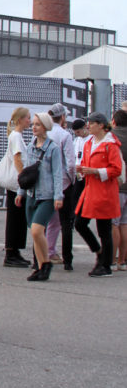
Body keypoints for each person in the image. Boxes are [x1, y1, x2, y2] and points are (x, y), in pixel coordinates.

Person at [16, 113, 64, 282]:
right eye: (33, 124)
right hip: (31, 194)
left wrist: (59, 196)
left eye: (37, 124)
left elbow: (58, 174)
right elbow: (26, 172)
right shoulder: (30, 146)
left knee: (37, 230)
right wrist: (20, 192)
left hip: (47, 196)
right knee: (35, 234)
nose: (34, 127)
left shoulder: (53, 148)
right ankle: (41, 266)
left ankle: (46, 263)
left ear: (45, 126)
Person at [74, 111, 123, 277]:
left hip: (104, 191)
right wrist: (82, 170)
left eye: (92, 123)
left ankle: (105, 264)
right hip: (90, 189)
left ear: (101, 125)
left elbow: (116, 169)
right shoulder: (89, 143)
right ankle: (100, 253)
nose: (89, 125)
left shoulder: (111, 145)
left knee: (104, 229)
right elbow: (85, 163)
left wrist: (95, 171)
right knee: (80, 223)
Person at [0, 107, 32, 267]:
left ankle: (14, 250)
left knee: (17, 217)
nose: (29, 121)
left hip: (16, 182)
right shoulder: (17, 136)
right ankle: (12, 251)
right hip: (16, 183)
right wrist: (23, 178)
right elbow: (18, 159)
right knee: (15, 217)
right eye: (28, 118)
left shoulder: (15, 135)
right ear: (20, 120)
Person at [44, 103, 76, 269]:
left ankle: (46, 253)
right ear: (62, 117)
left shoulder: (45, 133)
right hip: (63, 183)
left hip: (46, 182)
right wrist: (72, 179)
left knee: (48, 220)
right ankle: (67, 260)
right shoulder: (65, 135)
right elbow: (70, 163)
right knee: (66, 223)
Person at [111, 110, 127, 269]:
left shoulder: (112, 137)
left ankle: (111, 258)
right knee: (124, 223)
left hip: (117, 185)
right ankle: (122, 260)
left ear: (114, 121)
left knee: (113, 223)